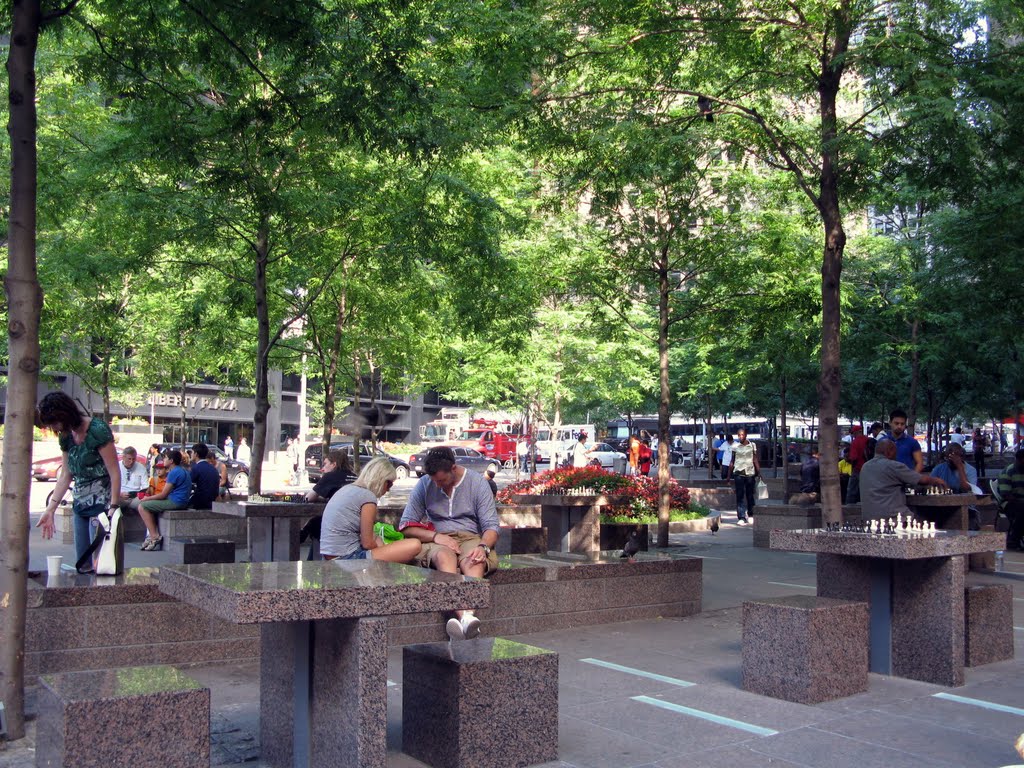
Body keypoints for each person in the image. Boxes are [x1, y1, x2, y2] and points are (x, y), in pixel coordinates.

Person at [399, 446, 499, 640]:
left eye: (442, 480)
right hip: (436, 537)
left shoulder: (477, 483)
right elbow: (405, 526)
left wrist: (482, 547)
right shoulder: (425, 484)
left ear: (454, 468)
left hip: (469, 536)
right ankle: (467, 618)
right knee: (444, 556)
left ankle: (463, 622)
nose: (437, 485)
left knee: (474, 560)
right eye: (434, 481)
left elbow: (491, 527)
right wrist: (437, 537)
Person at [35, 392, 122, 568]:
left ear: (64, 414)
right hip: (80, 505)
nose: (55, 428)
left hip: (102, 507)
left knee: (102, 564)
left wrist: (113, 507)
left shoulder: (97, 430)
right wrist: (50, 509)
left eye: (55, 423)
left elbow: (114, 472)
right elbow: (65, 475)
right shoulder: (66, 437)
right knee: (82, 563)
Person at [320, 457, 422, 564]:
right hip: (348, 557)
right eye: (389, 484)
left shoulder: (347, 489)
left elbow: (371, 536)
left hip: (330, 556)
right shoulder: (368, 497)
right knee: (414, 545)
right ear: (380, 479)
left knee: (378, 538)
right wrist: (386, 551)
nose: (388, 489)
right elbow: (368, 543)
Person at [859, 439, 948, 521]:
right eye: (895, 452)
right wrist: (936, 480)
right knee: (929, 520)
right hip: (893, 518)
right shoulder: (893, 466)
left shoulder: (865, 467)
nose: (896, 456)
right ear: (889, 452)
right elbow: (921, 480)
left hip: (869, 518)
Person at [137, 450, 191, 551]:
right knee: (150, 505)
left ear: (171, 461)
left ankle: (154, 536)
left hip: (175, 502)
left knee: (142, 506)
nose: (163, 460)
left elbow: (163, 495)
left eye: (165, 458)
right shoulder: (182, 470)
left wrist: (147, 498)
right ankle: (152, 535)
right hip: (181, 501)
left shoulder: (173, 472)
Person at [931, 442, 980, 528]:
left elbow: (966, 488)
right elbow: (929, 483)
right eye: (949, 458)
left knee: (968, 518)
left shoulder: (971, 470)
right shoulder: (940, 468)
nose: (951, 461)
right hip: (942, 506)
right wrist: (937, 483)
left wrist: (960, 467)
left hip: (966, 507)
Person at [730, 429, 760, 525]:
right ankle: (741, 517)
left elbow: (755, 459)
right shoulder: (735, 446)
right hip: (738, 473)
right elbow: (732, 460)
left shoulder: (752, 445)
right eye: (739, 435)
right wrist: (728, 476)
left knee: (750, 495)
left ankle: (751, 514)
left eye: (742, 435)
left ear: (746, 435)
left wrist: (759, 472)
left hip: (750, 473)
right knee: (740, 496)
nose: (740, 437)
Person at [997, 449, 1024, 551]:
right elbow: (1006, 495)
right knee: (1022, 508)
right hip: (1009, 503)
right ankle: (1014, 539)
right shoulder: (1008, 472)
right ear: (1018, 460)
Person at [189, 443, 221, 510]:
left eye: (191, 452)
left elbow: (188, 483)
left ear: (196, 454)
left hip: (200, 501)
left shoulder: (196, 468)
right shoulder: (213, 468)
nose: (190, 454)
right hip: (212, 501)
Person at [117, 446, 148, 511]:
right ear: (123, 457)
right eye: (129, 459)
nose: (131, 461)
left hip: (135, 497)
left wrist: (140, 494)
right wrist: (119, 494)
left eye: (133, 459)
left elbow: (146, 487)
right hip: (120, 496)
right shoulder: (117, 467)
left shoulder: (141, 468)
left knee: (146, 505)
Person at [846, 425, 868, 504]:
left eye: (853, 433)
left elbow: (854, 457)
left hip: (858, 469)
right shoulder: (868, 439)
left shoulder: (855, 442)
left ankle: (849, 507)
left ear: (857, 432)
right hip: (869, 469)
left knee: (851, 490)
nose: (853, 435)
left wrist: (850, 462)